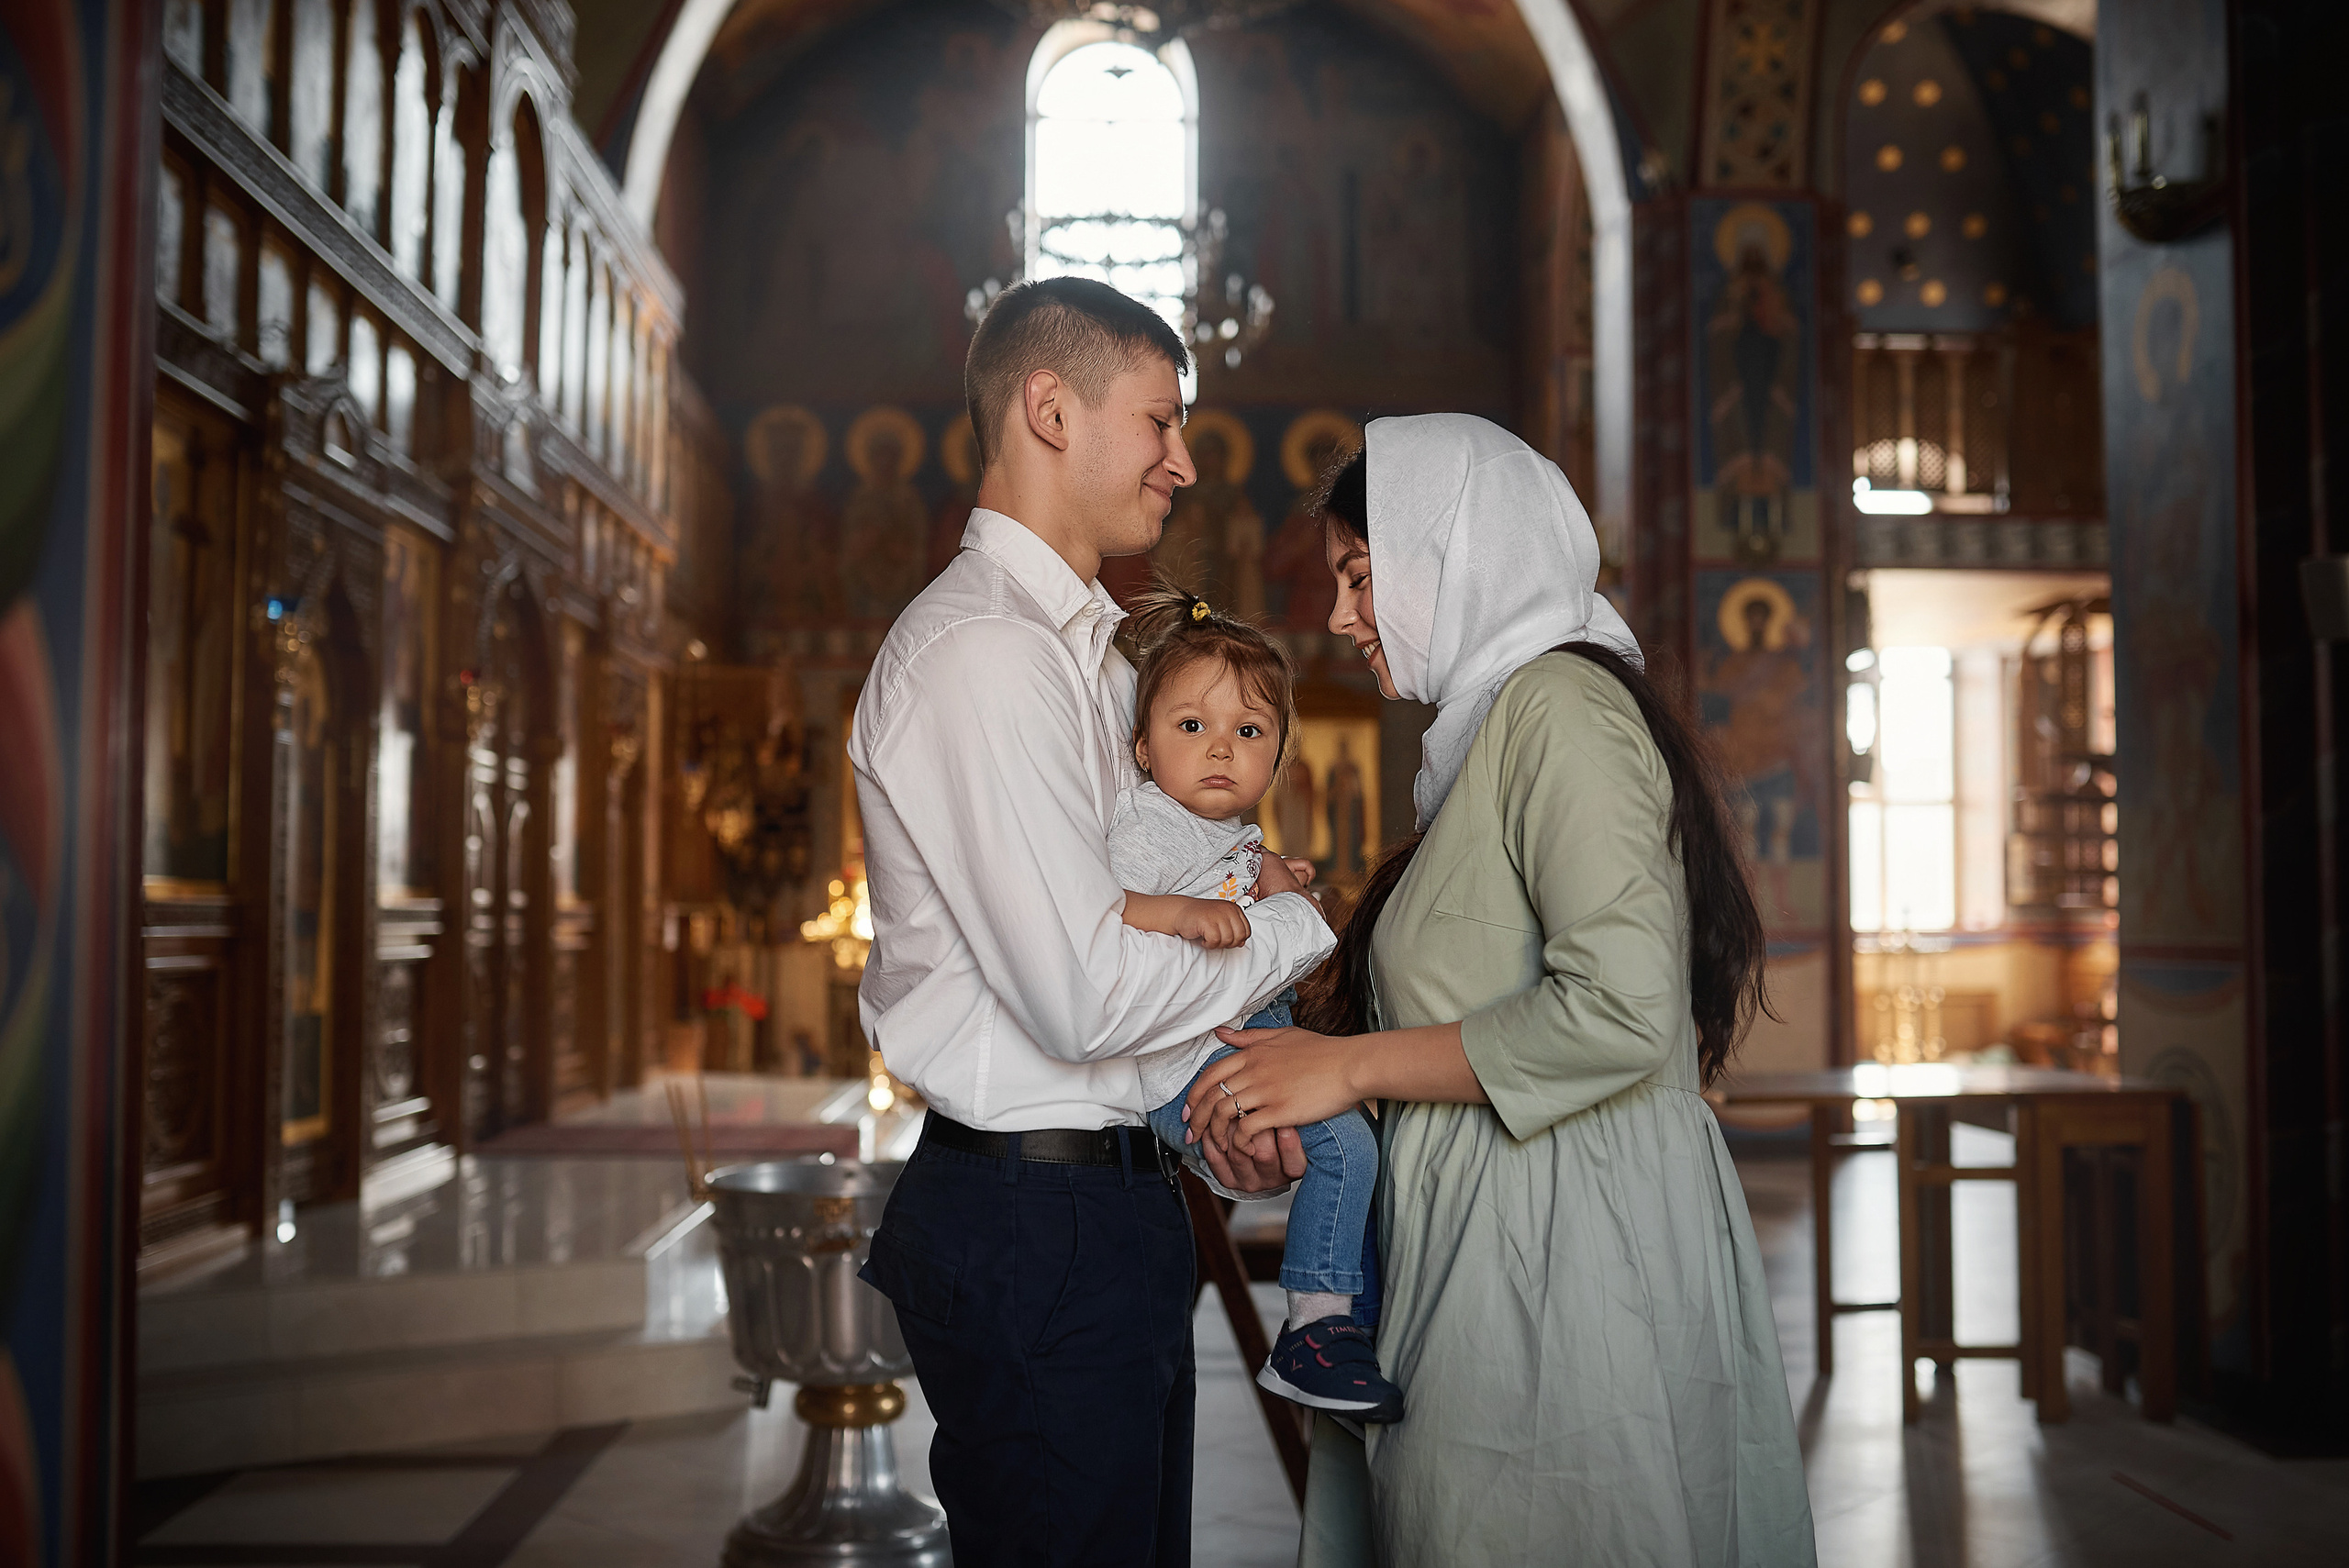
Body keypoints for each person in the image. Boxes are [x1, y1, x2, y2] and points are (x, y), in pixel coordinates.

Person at [1183, 415, 1817, 1566]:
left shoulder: (1558, 709)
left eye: (1360, 576)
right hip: (1493, 1232)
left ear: (1453, 553)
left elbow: (1621, 1010)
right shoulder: (1484, 738)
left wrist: (1345, 1065)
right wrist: (1294, 1099)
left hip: (1567, 1252)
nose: (1339, 616)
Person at [847, 276, 1333, 1568]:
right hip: (1031, 1216)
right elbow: (1084, 990)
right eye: (1160, 421)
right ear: (1050, 409)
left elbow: (1131, 931)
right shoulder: (987, 652)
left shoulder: (1082, 651)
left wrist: (1206, 1111)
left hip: (1095, 1202)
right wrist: (1295, 925)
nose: (1183, 462)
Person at [1108, 582, 1400, 1422]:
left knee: (1355, 1149)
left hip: (1237, 1037)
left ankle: (1352, 1317)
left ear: (1277, 757)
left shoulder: (1228, 836)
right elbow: (1098, 911)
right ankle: (1314, 1330)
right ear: (1141, 745)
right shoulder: (1149, 826)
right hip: (1188, 1058)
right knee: (1346, 1147)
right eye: (1191, 726)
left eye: (1249, 731)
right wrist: (1182, 913)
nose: (1220, 750)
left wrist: (1279, 883)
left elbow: (1256, 888)